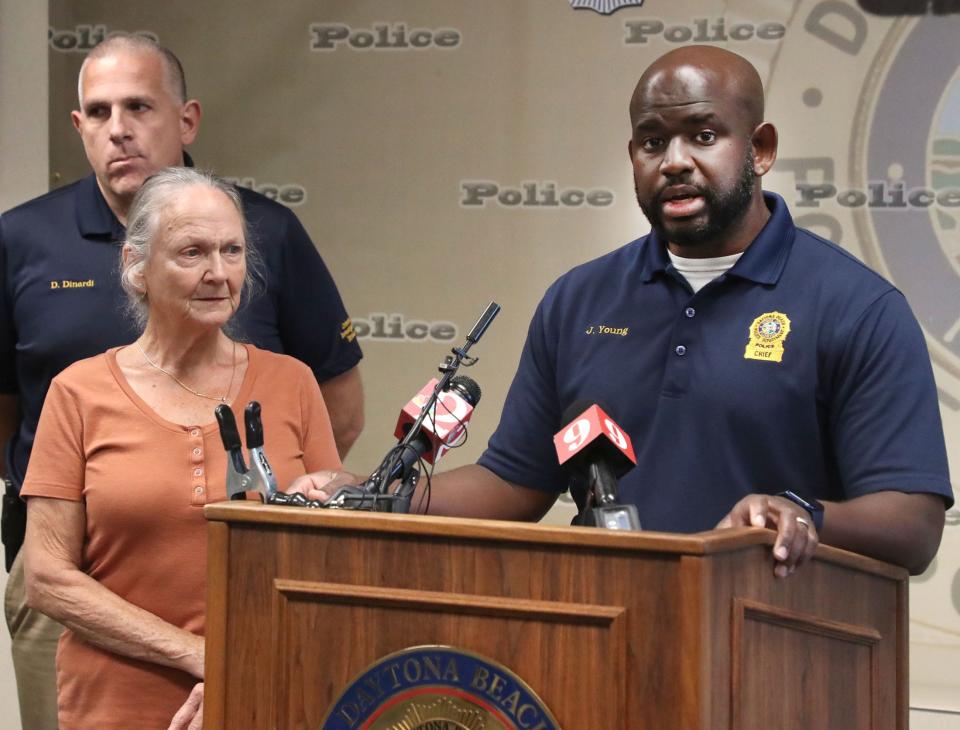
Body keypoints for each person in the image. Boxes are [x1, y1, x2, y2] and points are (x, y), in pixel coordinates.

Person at [298, 45, 952, 578]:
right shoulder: (579, 300)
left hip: (777, 655)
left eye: (703, 135)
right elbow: (514, 485)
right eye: (651, 142)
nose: (674, 163)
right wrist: (371, 494)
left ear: (760, 149)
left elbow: (913, 526)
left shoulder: (856, 307)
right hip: (606, 640)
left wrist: (798, 510)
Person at [0, 34, 362, 730]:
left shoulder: (285, 358)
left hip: (262, 642)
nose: (217, 272)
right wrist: (202, 655)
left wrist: (328, 493)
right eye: (192, 252)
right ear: (137, 267)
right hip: (95, 622)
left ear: (186, 118)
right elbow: (48, 569)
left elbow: (328, 484)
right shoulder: (71, 371)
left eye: (230, 252)